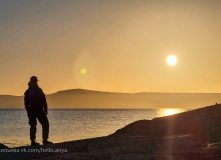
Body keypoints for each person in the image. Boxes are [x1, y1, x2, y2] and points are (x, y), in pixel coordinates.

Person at [24, 76, 53, 146]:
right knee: (44, 124)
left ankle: (34, 141)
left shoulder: (27, 92)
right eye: (35, 81)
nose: (36, 82)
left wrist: (28, 111)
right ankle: (44, 140)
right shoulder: (38, 90)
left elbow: (26, 103)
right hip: (38, 109)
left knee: (34, 125)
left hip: (32, 109)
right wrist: (45, 110)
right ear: (33, 81)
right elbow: (43, 100)